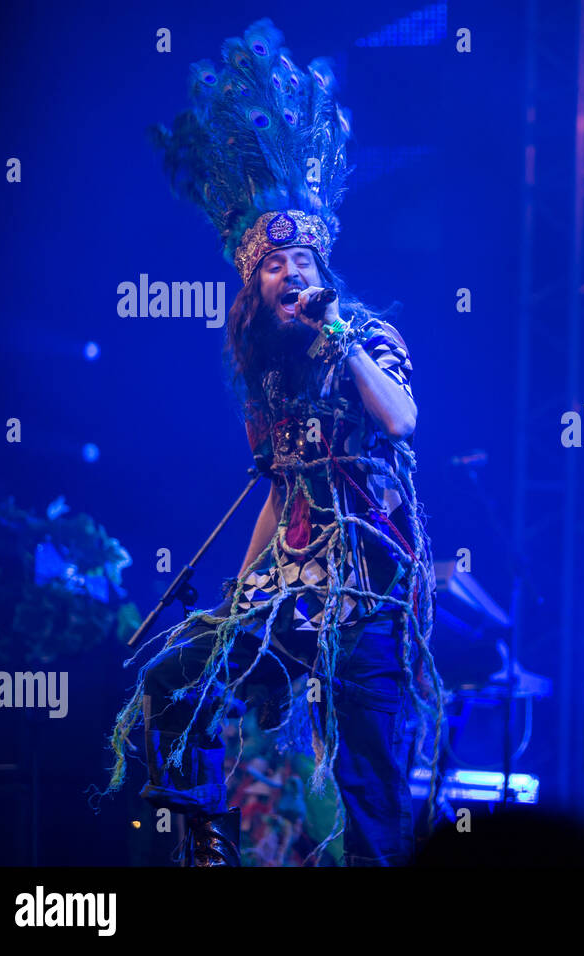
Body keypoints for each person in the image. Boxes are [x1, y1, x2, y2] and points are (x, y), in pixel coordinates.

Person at [102, 19, 442, 866]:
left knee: (372, 786)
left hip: (366, 591)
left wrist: (338, 336)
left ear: (324, 268)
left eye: (302, 263)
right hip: (289, 587)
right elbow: (280, 490)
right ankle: (208, 844)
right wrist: (242, 585)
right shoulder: (268, 376)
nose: (290, 275)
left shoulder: (367, 333)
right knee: (175, 681)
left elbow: (400, 421)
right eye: (272, 266)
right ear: (252, 283)